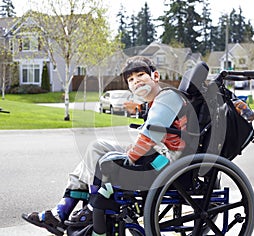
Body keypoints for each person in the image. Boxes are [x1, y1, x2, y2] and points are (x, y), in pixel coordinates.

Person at [22, 56, 190, 236]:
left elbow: (150, 135)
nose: (136, 81)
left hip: (166, 162)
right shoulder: (158, 101)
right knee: (97, 147)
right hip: (156, 155)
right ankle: (60, 213)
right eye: (131, 80)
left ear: (155, 76)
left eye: (141, 75)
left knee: (103, 156)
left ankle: (91, 210)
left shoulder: (167, 98)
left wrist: (128, 159)